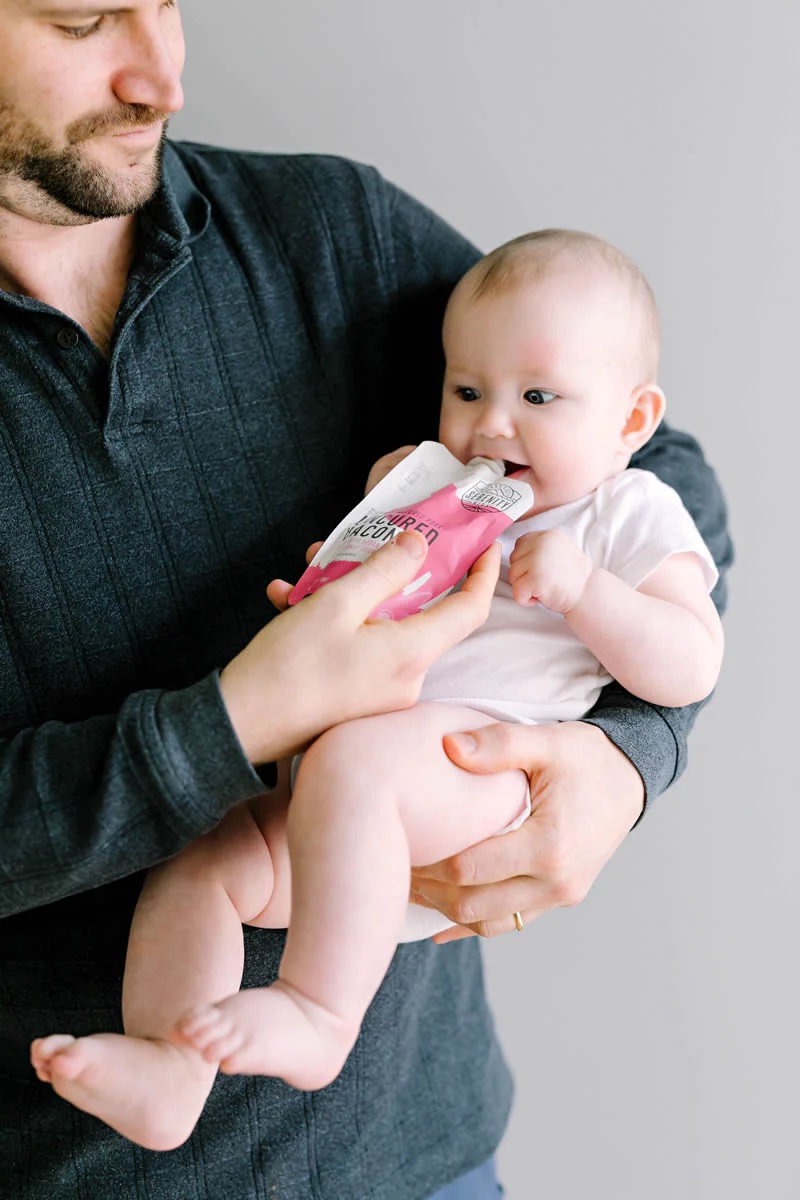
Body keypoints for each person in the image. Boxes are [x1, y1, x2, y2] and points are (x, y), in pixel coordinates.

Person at [0, 3, 733, 1198]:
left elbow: (651, 473)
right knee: (197, 874)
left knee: (346, 779)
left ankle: (311, 1009)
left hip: (419, 1162)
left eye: (166, 0)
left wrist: (617, 765)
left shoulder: (326, 234)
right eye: (84, 16)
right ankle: (164, 1066)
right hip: (67, 1177)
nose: (164, 77)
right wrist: (230, 721)